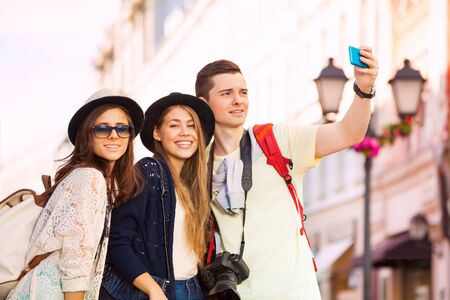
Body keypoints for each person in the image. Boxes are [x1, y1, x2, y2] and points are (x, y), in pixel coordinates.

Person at [195, 46, 378, 299]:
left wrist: (364, 89)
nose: (238, 100)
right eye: (226, 93)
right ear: (203, 103)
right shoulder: (197, 165)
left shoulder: (278, 140)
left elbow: (348, 133)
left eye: (243, 92)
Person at [7, 89, 144, 300]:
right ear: (86, 134)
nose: (114, 135)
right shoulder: (90, 178)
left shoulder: (84, 177)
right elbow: (76, 260)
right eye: (102, 128)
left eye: (122, 128)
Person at [102, 93, 215, 300]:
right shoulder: (148, 171)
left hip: (194, 290)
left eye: (191, 126)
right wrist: (153, 289)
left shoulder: (193, 184)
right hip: (160, 291)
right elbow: (117, 242)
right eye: (174, 125)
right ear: (157, 133)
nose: (185, 133)